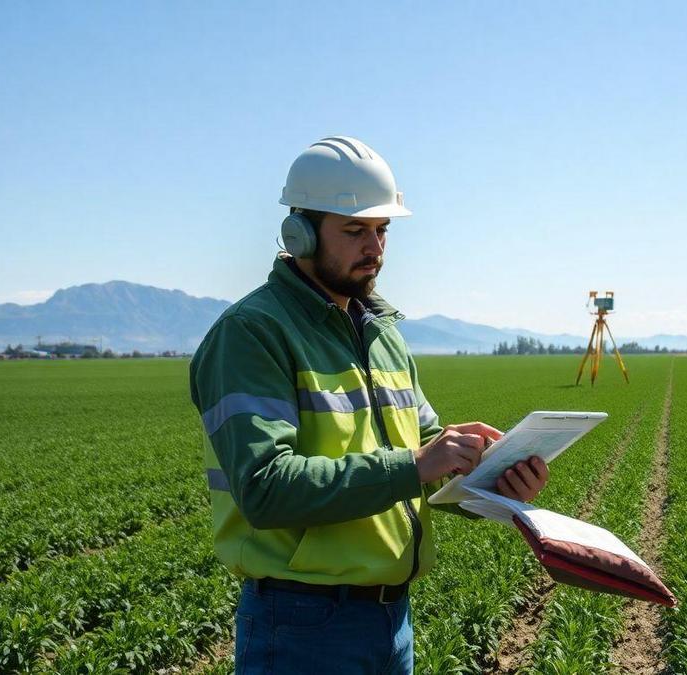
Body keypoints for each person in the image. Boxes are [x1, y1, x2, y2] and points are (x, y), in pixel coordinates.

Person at [189, 136, 550, 674]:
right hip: (301, 627)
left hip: (390, 621)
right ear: (301, 234)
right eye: (356, 230)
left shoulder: (381, 334)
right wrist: (420, 463)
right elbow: (265, 488)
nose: (375, 248)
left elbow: (424, 468)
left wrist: (491, 479)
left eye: (383, 230)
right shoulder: (253, 334)